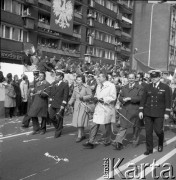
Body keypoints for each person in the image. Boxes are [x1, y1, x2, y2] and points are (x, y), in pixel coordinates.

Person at [139, 70, 171, 155]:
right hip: (148, 112)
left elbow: (168, 101)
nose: (153, 79)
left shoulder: (165, 87)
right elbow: (143, 99)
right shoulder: (147, 86)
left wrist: (167, 113)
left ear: (159, 77)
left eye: (155, 77)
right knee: (148, 131)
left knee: (158, 131)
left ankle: (160, 142)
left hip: (159, 113)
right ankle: (149, 149)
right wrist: (141, 111)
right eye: (152, 77)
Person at [83, 72, 117, 149]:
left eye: (100, 77)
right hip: (99, 107)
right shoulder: (98, 85)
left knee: (107, 125)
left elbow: (113, 97)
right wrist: (95, 98)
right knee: (94, 124)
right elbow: (96, 95)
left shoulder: (111, 86)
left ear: (105, 78)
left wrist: (104, 99)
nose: (98, 78)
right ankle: (90, 142)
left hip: (107, 108)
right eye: (98, 77)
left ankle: (108, 140)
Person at [112, 73, 143, 150]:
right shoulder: (124, 87)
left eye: (132, 78)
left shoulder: (140, 87)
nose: (131, 79)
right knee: (123, 126)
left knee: (136, 127)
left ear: (135, 79)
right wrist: (122, 100)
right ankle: (118, 142)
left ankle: (135, 141)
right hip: (125, 109)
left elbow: (140, 98)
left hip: (135, 110)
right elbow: (120, 97)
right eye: (129, 78)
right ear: (127, 79)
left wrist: (130, 99)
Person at [68, 75, 92, 142]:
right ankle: (83, 134)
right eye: (77, 80)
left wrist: (84, 97)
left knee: (80, 120)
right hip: (76, 105)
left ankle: (79, 135)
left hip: (83, 105)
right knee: (79, 120)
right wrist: (69, 103)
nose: (78, 81)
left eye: (80, 80)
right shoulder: (75, 88)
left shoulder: (87, 87)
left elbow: (90, 95)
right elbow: (73, 97)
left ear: (83, 80)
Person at [46, 70, 69, 138]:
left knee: (59, 118)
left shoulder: (65, 85)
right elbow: (51, 94)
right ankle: (59, 126)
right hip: (53, 103)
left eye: (57, 76)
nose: (56, 77)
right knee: (51, 117)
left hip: (60, 104)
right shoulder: (53, 83)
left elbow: (65, 96)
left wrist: (63, 105)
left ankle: (58, 131)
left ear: (61, 77)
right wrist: (50, 103)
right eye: (56, 75)